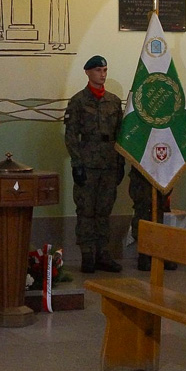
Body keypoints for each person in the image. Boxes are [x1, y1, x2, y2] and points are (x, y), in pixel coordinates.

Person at [64, 55, 124, 273]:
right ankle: (87, 254)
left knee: (104, 210)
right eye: (98, 70)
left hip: (109, 162)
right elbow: (71, 136)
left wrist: (120, 162)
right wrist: (77, 163)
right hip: (88, 163)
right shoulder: (78, 101)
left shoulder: (114, 101)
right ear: (88, 72)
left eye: (105, 69)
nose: (103, 74)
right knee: (86, 210)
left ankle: (103, 253)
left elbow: (121, 134)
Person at [128, 167, 176, 271]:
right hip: (142, 170)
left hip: (161, 169)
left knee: (158, 209)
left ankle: (156, 252)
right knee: (143, 209)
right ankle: (144, 254)